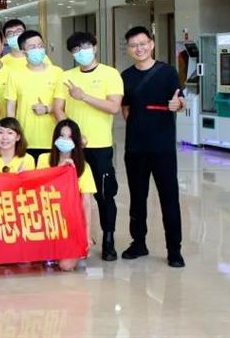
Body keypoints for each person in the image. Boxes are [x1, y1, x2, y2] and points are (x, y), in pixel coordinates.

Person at [53, 31, 124, 262]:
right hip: (72, 147)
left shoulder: (110, 74)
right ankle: (77, 238)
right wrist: (74, 134)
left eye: (84, 47)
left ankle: (108, 240)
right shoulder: (66, 77)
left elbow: (114, 107)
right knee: (72, 194)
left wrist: (83, 97)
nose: (81, 53)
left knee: (104, 194)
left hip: (100, 145)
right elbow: (58, 109)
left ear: (94, 47)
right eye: (75, 50)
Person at [120, 26, 186, 268]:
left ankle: (174, 249)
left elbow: (180, 100)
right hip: (135, 147)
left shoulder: (167, 72)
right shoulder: (126, 76)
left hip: (162, 147)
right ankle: (138, 242)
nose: (139, 48)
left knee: (169, 197)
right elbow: (125, 108)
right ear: (129, 49)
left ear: (152, 44)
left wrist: (178, 105)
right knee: (137, 197)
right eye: (133, 45)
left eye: (143, 43)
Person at [38, 120, 97, 271]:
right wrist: (60, 169)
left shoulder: (84, 167)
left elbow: (86, 204)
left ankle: (79, 250)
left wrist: (87, 235)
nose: (64, 140)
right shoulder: (44, 159)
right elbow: (39, 189)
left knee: (66, 265)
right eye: (61, 136)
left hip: (71, 222)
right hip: (49, 219)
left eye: (69, 137)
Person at [4, 30, 62, 160]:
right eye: (32, 47)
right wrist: (12, 137)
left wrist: (47, 109)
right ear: (24, 52)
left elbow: (65, 106)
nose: (38, 49)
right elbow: (10, 109)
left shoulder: (57, 72)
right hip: (24, 140)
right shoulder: (14, 75)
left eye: (40, 46)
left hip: (53, 139)